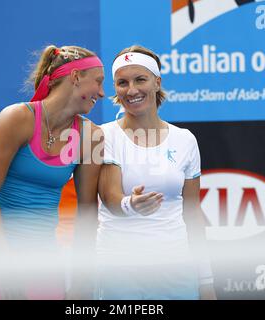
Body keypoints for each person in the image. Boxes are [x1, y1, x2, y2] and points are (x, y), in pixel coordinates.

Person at [0, 45, 105, 299]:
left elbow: (87, 212)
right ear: (75, 78)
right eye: (98, 82)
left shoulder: (92, 137)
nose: (103, 92)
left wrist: (82, 277)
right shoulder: (16, 118)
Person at [96, 45, 216, 300]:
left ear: (156, 81)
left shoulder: (185, 140)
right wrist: (131, 204)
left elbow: (192, 215)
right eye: (122, 82)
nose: (132, 90)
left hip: (176, 272)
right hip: (118, 271)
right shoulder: (104, 135)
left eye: (140, 79)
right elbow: (110, 198)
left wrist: (206, 282)